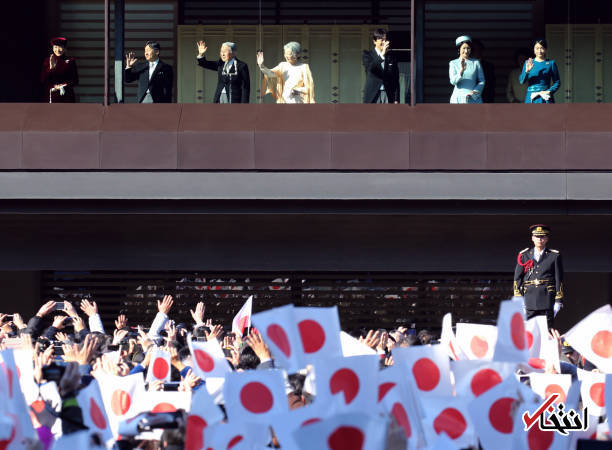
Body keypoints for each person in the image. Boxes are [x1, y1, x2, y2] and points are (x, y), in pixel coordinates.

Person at [513, 224, 564, 328]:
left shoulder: (554, 256)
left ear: (547, 238)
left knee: (546, 331)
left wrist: (558, 301)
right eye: (537, 236)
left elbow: (559, 279)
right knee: (528, 333)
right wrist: (518, 298)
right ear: (532, 238)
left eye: (542, 236)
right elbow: (517, 278)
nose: (540, 239)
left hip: (547, 299)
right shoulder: (524, 255)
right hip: (529, 299)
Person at [362, 28, 400, 104]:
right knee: (374, 115)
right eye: (381, 40)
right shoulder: (367, 55)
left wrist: (396, 98)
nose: (384, 42)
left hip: (388, 94)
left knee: (388, 115)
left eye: (385, 40)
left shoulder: (391, 57)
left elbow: (395, 79)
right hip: (373, 94)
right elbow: (371, 68)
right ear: (374, 41)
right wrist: (382, 55)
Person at [519, 39, 560, 103]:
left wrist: (549, 91)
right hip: (531, 97)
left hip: (545, 97)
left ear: (545, 49)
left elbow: (557, 82)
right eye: (537, 48)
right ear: (533, 50)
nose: (539, 51)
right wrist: (527, 71)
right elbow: (522, 81)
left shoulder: (551, 63)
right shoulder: (528, 63)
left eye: (542, 48)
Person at [40, 37, 78, 103]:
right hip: (52, 96)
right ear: (52, 48)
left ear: (65, 49)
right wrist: (50, 69)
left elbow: (75, 81)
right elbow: (43, 80)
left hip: (67, 96)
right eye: (55, 47)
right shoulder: (48, 61)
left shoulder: (71, 61)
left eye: (60, 47)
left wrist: (62, 86)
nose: (57, 50)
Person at [449, 35, 485, 104]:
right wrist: (461, 71)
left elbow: (482, 80)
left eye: (468, 48)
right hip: (457, 99)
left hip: (473, 98)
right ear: (459, 49)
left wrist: (475, 92)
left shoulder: (476, 62)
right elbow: (453, 81)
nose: (466, 51)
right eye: (464, 48)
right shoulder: (453, 63)